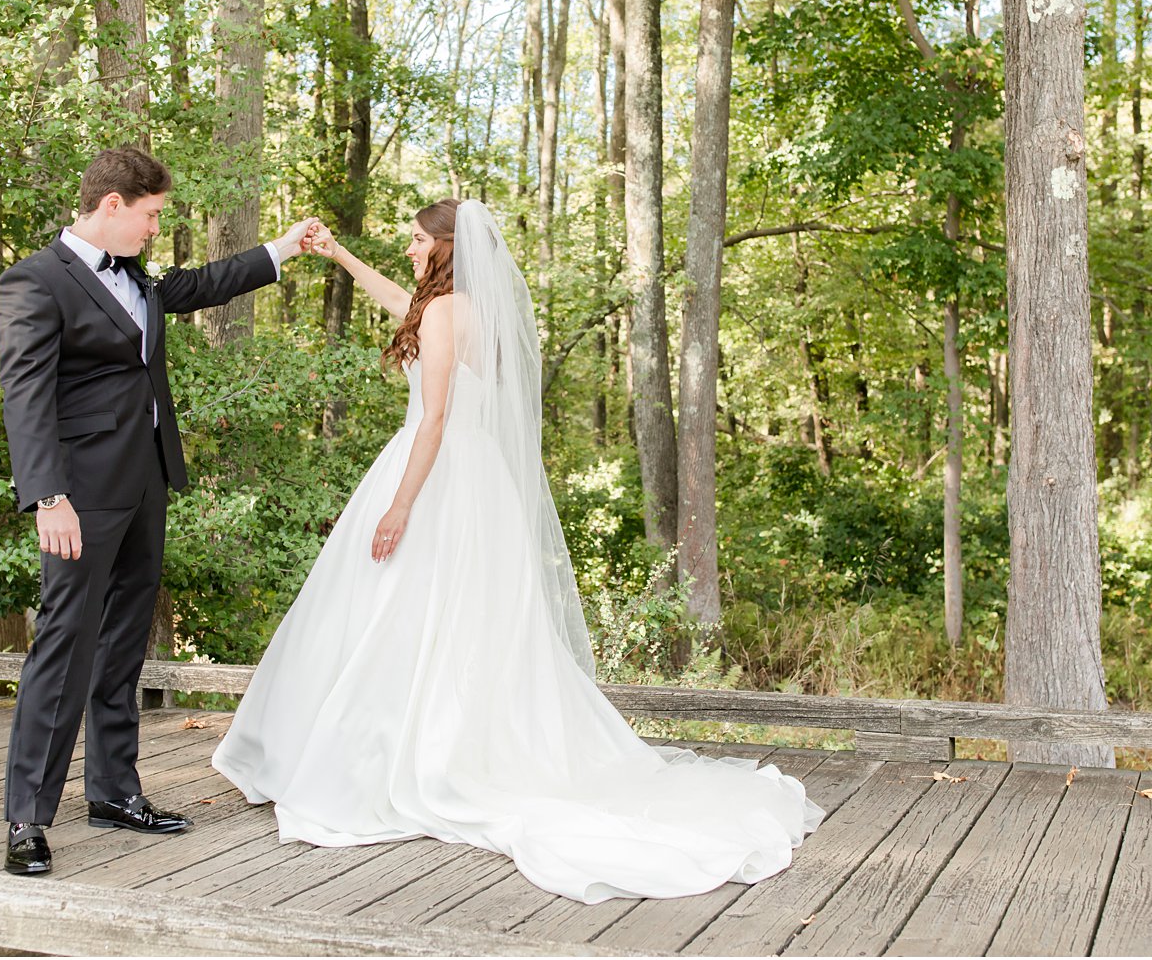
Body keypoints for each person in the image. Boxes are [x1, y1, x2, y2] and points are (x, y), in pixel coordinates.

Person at [212, 198, 825, 904]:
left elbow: (434, 419)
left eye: (416, 241)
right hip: (479, 486)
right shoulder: (459, 308)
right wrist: (340, 258)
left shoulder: (443, 313)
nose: (408, 250)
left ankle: (402, 757)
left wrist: (400, 505)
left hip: (436, 476)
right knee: (454, 624)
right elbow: (402, 303)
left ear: (446, 247)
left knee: (402, 613)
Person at [0, 146, 318, 875]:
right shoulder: (33, 282)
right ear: (112, 205)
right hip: (77, 496)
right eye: (150, 215)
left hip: (145, 485)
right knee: (64, 644)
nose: (153, 228)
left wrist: (282, 249)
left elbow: (199, 286)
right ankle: (26, 817)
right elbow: (27, 397)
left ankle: (114, 791)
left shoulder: (136, 276)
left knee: (122, 644)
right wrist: (49, 496)